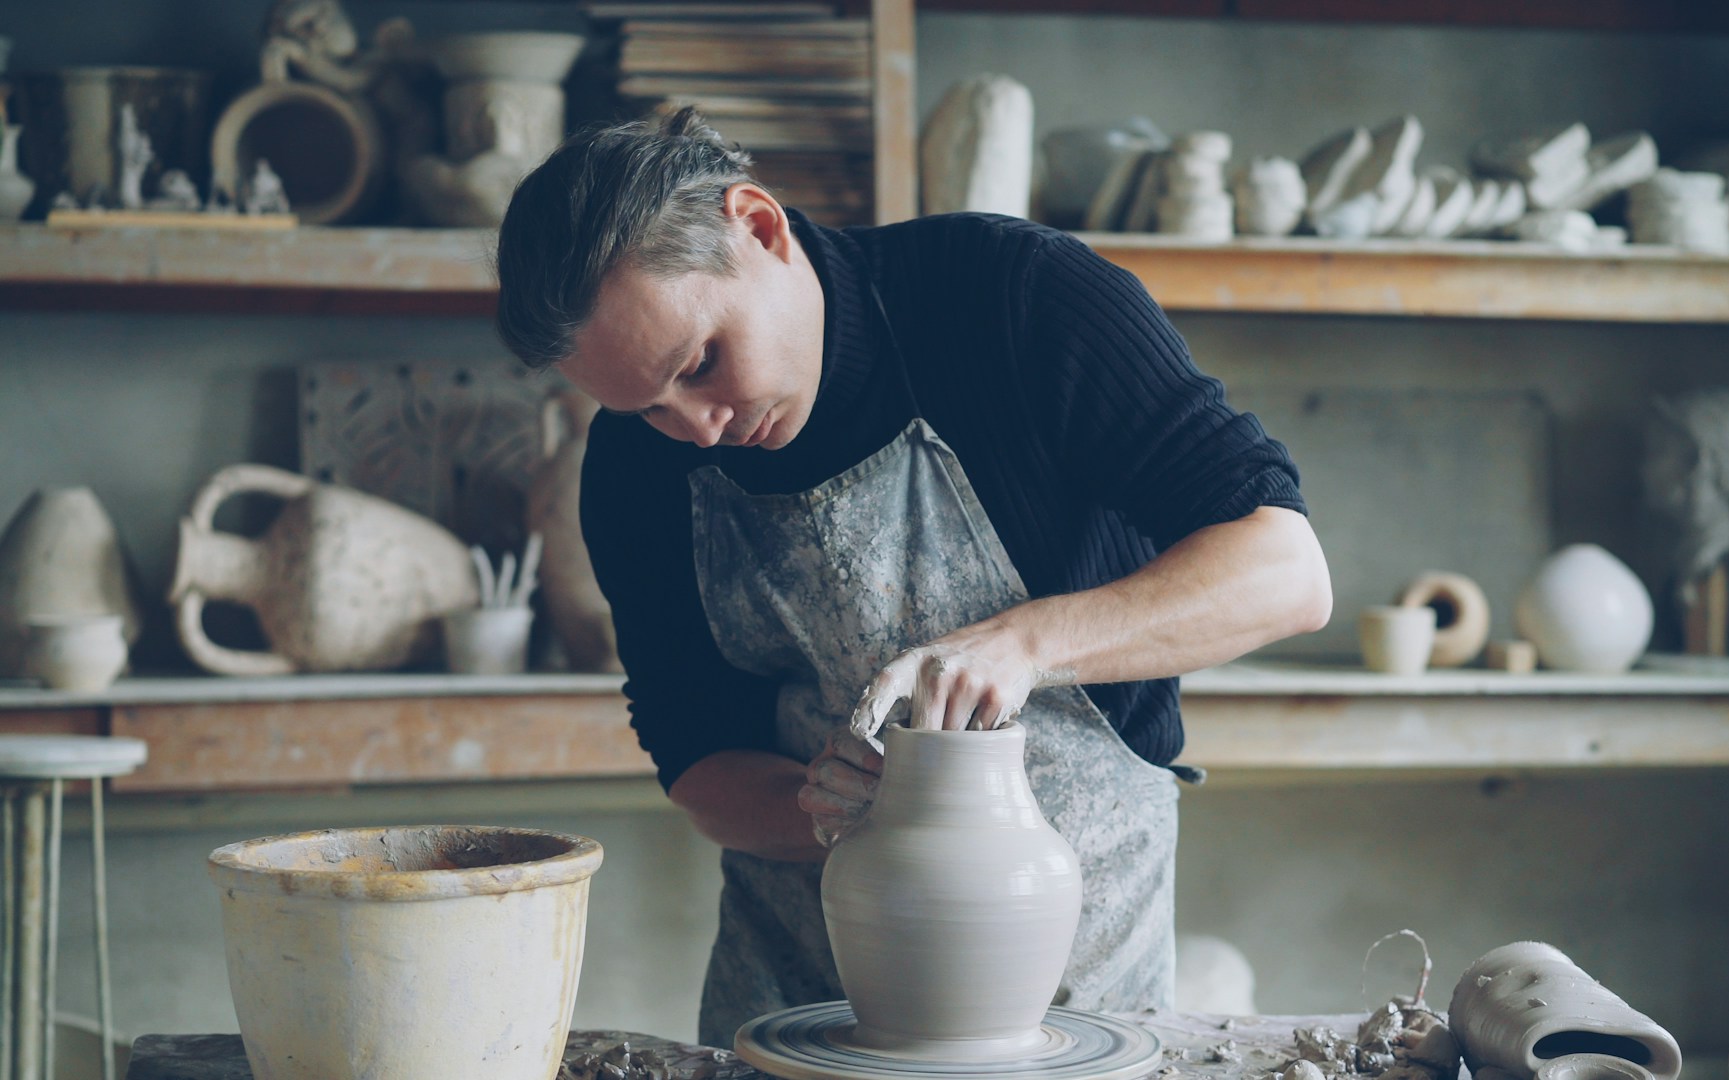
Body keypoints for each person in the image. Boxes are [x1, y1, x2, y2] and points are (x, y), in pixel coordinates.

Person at [494, 109, 1332, 1048]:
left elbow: (1285, 569)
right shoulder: (631, 467)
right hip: (799, 984)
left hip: (1072, 976)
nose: (698, 428)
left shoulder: (1013, 297)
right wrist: (816, 809)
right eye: (647, 407)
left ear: (758, 226)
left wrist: (1028, 642)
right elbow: (695, 755)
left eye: (702, 363)